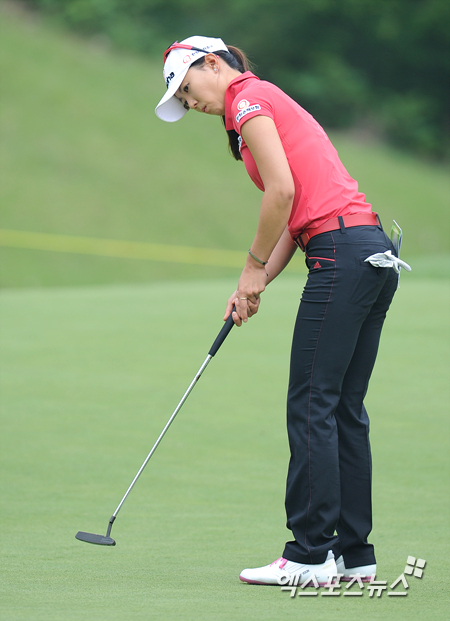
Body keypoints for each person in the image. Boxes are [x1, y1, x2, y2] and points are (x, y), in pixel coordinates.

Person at [155, 36, 405, 586]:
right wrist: (256, 284)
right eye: (182, 100)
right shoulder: (263, 99)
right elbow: (297, 213)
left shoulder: (248, 100)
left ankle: (310, 555)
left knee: (312, 403)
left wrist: (250, 265)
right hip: (369, 253)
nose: (191, 103)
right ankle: (353, 555)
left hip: (342, 255)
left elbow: (282, 193)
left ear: (213, 64)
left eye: (187, 88)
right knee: (342, 408)